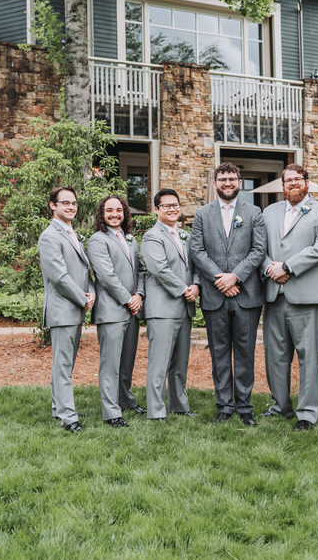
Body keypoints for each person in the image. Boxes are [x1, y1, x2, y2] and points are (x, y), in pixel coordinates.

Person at [262, 163, 318, 430]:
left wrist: (287, 267)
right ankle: (279, 406)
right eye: (288, 180)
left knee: (309, 356)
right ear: (282, 186)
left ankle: (307, 413)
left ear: (307, 182)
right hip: (274, 295)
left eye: (298, 179)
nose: (293, 183)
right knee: (275, 356)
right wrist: (270, 268)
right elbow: (259, 247)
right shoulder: (269, 212)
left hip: (308, 296)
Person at [190, 164, 267, 426]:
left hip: (246, 295)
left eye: (232, 178)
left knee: (245, 353)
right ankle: (224, 406)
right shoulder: (202, 214)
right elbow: (197, 251)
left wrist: (235, 276)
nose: (227, 182)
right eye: (222, 178)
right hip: (215, 295)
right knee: (219, 353)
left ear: (239, 182)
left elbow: (258, 250)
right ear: (215, 183)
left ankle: (245, 407)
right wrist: (221, 280)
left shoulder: (254, 212)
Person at [38, 186, 95, 432]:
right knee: (63, 364)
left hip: (75, 307)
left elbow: (83, 269)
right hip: (63, 309)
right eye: (65, 203)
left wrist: (90, 291)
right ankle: (68, 417)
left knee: (65, 362)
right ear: (53, 205)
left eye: (73, 203)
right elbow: (59, 277)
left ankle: (58, 407)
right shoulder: (49, 236)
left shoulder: (72, 233)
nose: (71, 207)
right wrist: (82, 299)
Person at [141, 188, 199, 421]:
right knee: (160, 362)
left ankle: (179, 405)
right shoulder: (152, 236)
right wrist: (184, 289)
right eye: (166, 206)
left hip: (184, 308)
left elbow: (193, 266)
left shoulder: (184, 235)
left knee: (180, 361)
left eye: (175, 205)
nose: (173, 209)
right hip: (163, 309)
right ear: (156, 209)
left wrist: (196, 285)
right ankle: (156, 411)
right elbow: (159, 269)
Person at [87, 195, 145, 427]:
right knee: (110, 363)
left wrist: (139, 296)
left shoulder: (130, 239)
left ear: (125, 213)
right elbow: (106, 276)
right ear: (102, 213)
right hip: (111, 310)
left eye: (119, 210)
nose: (114, 214)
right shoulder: (97, 240)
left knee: (127, 360)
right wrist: (128, 299)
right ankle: (112, 412)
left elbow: (141, 271)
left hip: (132, 309)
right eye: (109, 210)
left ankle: (125, 399)